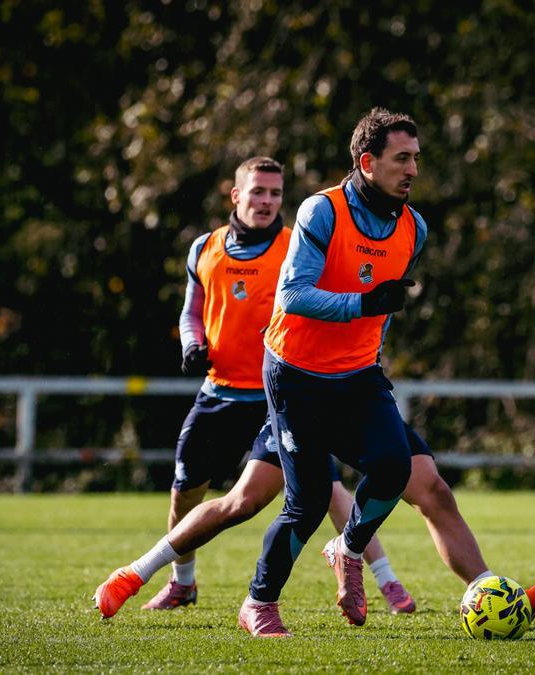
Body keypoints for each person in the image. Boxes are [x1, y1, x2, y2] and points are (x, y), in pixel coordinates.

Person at [236, 109, 535, 638]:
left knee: (393, 466)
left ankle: (349, 549)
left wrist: (370, 339)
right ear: (367, 163)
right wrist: (362, 304)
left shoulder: (414, 227)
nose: (413, 170)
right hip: (296, 374)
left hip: (358, 375)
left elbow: (384, 307)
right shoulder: (322, 211)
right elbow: (292, 295)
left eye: (416, 159)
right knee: (309, 501)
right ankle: (259, 603)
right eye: (401, 159)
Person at [93, 156, 417, 615]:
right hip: (221, 393)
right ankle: (174, 580)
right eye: (258, 192)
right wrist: (192, 342)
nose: (267, 201)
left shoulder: (296, 243)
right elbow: (191, 311)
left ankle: (386, 580)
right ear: (236, 195)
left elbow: (324, 296)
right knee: (196, 493)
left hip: (282, 394)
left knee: (319, 492)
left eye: (275, 193)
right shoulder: (205, 248)